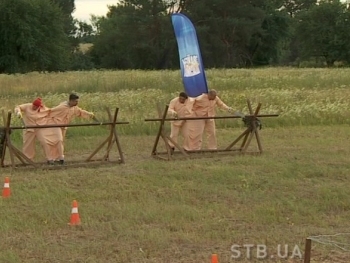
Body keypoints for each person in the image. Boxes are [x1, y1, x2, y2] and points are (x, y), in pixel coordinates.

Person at [46, 93, 95, 163]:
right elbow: (51, 111)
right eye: (76, 101)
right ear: (71, 101)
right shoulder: (62, 107)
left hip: (64, 126)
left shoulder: (74, 108)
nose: (77, 103)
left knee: (61, 141)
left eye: (77, 101)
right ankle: (58, 158)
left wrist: (90, 115)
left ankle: (57, 158)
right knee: (58, 140)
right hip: (56, 125)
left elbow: (80, 112)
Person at [14, 98, 58, 163]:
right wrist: (18, 112)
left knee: (45, 141)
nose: (34, 107)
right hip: (29, 128)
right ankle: (28, 160)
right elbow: (18, 107)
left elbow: (50, 111)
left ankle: (50, 158)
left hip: (39, 128)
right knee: (28, 144)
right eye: (34, 105)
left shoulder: (43, 109)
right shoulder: (27, 106)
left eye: (36, 107)